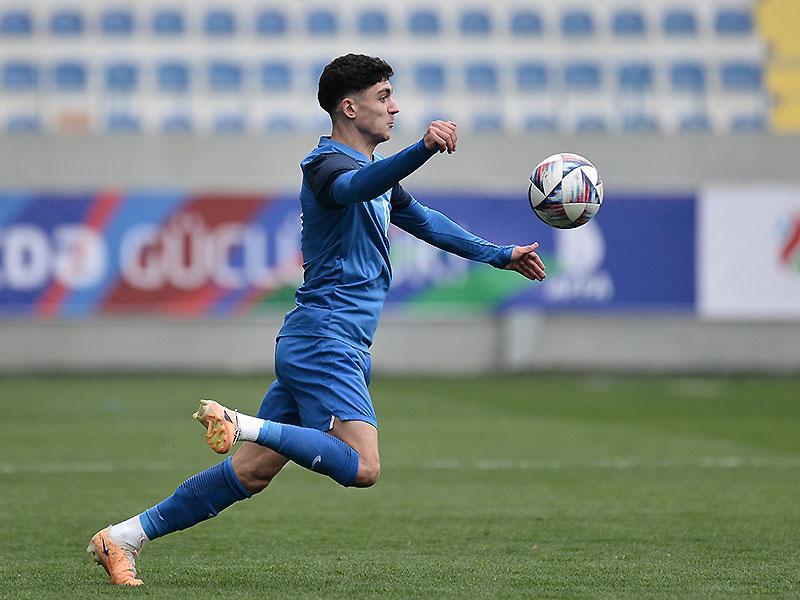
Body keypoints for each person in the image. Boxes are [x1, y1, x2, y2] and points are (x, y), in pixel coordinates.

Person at [87, 53, 547, 586]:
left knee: (252, 471)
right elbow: (353, 189)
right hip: (327, 339)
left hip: (320, 339)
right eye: (383, 97)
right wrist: (421, 149)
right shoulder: (326, 167)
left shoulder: (373, 175)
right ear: (349, 108)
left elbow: (424, 220)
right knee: (364, 467)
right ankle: (241, 423)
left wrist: (500, 255)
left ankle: (122, 538)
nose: (395, 108)